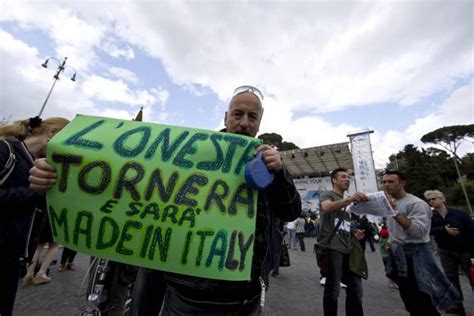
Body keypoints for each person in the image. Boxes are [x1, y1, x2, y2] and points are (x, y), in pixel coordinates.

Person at [29, 85, 302, 315]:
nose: (244, 122)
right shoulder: (190, 155)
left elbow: (291, 212)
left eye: (252, 117)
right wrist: (57, 175)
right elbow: (119, 182)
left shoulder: (268, 163)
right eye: (238, 114)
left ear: (259, 122)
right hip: (189, 297)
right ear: (226, 116)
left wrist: (279, 175)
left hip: (248, 296)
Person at [0, 116, 69, 316]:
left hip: (13, 255)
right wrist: (35, 193)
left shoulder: (34, 163)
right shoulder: (6, 150)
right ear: (53, 134)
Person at [383, 171, 459, 316]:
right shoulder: (391, 203)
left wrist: (394, 212)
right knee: (409, 300)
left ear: (402, 183)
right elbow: (396, 229)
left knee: (422, 299)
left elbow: (418, 232)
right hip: (398, 254)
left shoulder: (416, 203)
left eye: (391, 181)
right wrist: (391, 241)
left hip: (415, 255)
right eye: (385, 181)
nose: (387, 185)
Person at [318, 168, 368, 316]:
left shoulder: (347, 204)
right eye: (343, 177)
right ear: (334, 180)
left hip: (348, 247)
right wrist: (350, 199)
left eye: (348, 177)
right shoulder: (328, 194)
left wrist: (354, 233)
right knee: (333, 290)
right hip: (333, 247)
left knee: (356, 289)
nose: (347, 179)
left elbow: (342, 224)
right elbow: (326, 207)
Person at [425, 189, 474, 316]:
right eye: (429, 200)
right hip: (445, 250)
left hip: (465, 250)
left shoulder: (459, 213)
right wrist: (443, 229)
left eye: (434, 198)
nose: (432, 201)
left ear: (442, 199)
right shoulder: (431, 217)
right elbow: (428, 230)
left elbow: (471, 229)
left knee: (472, 277)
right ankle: (457, 305)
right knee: (451, 278)